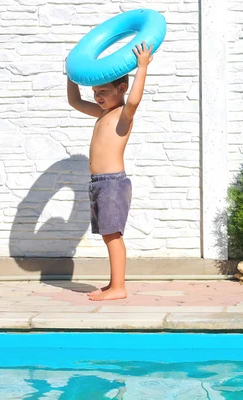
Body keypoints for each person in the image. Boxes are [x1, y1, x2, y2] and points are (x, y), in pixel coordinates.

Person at [67, 42, 153, 300]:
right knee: (108, 234)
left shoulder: (123, 115)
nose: (97, 97)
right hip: (98, 183)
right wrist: (71, 73)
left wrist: (142, 66)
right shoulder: (100, 113)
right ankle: (113, 283)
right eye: (95, 92)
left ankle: (119, 288)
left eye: (103, 91)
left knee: (112, 235)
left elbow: (135, 100)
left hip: (112, 184)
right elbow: (73, 101)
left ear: (121, 88)